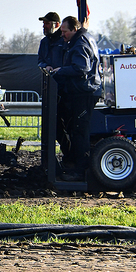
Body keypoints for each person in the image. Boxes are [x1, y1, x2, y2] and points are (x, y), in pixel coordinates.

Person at [52, 16, 101, 180]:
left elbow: (81, 68)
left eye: (64, 31)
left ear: (74, 29)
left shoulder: (80, 44)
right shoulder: (85, 38)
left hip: (84, 92)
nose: (62, 35)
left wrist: (60, 70)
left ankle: (81, 171)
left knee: (80, 131)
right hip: (85, 90)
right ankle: (76, 164)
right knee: (77, 129)